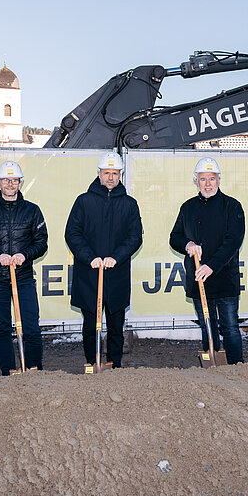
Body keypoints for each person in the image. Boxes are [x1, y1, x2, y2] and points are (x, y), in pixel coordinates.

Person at [64, 151, 143, 368]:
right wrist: (90, 258)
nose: (110, 177)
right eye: (107, 172)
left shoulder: (129, 204)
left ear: (121, 175)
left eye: (115, 173)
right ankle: (92, 362)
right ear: (99, 174)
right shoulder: (84, 201)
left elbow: (135, 237)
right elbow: (72, 233)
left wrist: (115, 258)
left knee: (116, 324)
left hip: (116, 274)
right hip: (89, 273)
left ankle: (114, 364)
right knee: (90, 324)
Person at [0, 160, 49, 374]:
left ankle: (35, 369)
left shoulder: (32, 211)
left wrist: (25, 255)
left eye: (14, 180)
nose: (10, 184)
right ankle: (8, 371)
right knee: (3, 328)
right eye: (6, 180)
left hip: (23, 278)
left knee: (31, 327)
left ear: (20, 182)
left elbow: (41, 242)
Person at [169, 157, 246, 364]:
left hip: (224, 278)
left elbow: (233, 241)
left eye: (212, 178)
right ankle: (211, 369)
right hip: (198, 279)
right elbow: (174, 237)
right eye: (203, 179)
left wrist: (211, 266)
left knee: (230, 326)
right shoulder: (188, 208)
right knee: (207, 325)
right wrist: (187, 244)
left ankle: (237, 367)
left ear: (219, 180)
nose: (208, 183)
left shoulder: (232, 206)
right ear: (196, 181)